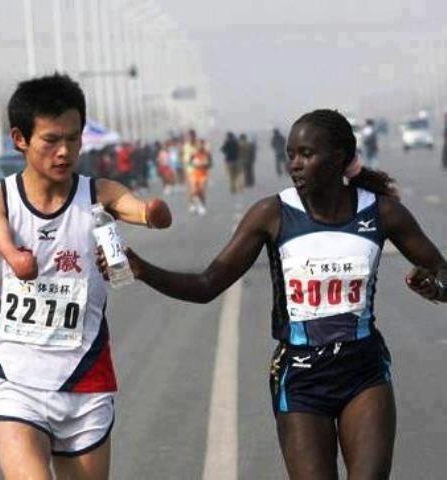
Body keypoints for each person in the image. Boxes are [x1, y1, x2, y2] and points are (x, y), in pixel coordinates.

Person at [97, 109, 447, 479]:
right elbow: (207, 285)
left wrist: (435, 286)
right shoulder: (272, 214)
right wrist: (142, 269)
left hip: (364, 371)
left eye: (307, 154)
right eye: (291, 155)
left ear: (340, 156)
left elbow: (441, 271)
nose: (295, 164)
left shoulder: (381, 212)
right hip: (301, 378)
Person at [0, 73, 172, 480]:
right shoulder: (0, 197)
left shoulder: (99, 194)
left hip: (85, 377)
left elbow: (141, 210)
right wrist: (13, 255)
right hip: (17, 378)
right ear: (20, 139)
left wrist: (152, 213)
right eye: (51, 140)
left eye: (73, 139)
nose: (64, 151)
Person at [188, 139, 212, 215]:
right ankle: (192, 204)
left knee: (201, 190)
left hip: (203, 175)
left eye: (201, 144)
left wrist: (205, 164)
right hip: (194, 174)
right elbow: (190, 162)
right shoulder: (193, 153)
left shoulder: (207, 153)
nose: (200, 146)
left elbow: (210, 164)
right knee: (194, 191)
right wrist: (195, 163)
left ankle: (202, 206)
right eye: (198, 144)